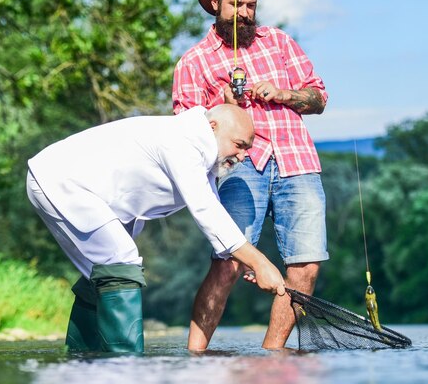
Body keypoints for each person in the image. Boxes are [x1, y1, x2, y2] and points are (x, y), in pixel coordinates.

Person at [26, 104, 285, 353]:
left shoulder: (202, 155)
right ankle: (124, 364)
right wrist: (261, 263)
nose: (242, 156)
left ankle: (84, 358)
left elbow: (217, 217)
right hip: (59, 180)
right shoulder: (183, 141)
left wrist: (247, 262)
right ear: (213, 126)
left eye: (247, 149)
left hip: (79, 190)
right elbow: (206, 211)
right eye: (239, 145)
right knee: (121, 261)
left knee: (105, 272)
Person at [173, 0, 329, 351]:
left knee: (306, 266)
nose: (245, 13)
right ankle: (195, 355)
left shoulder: (279, 42)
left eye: (251, 6)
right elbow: (184, 131)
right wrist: (221, 108)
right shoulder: (193, 62)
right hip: (241, 168)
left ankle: (272, 355)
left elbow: (319, 96)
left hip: (298, 162)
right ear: (214, 4)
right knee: (229, 262)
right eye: (235, 5)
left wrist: (285, 94)